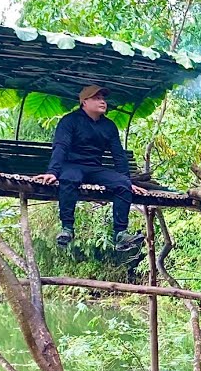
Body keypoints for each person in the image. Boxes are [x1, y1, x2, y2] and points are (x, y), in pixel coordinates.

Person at [31, 85, 147, 250]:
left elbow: (118, 155)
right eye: (97, 98)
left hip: (94, 168)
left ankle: (121, 235)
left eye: (103, 98)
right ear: (84, 102)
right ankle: (67, 229)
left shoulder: (109, 126)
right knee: (69, 178)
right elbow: (61, 146)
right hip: (72, 165)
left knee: (122, 184)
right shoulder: (70, 121)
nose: (102, 101)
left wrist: (128, 181)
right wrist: (52, 172)